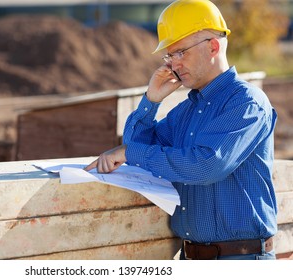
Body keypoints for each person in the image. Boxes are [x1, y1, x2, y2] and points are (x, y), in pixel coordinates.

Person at [85, 0, 278, 260]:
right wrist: (151, 101)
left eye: (180, 52)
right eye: (170, 55)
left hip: (241, 261)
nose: (174, 64)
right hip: (190, 259)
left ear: (213, 46)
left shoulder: (246, 103)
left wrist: (131, 152)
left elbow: (206, 165)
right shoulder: (186, 111)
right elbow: (138, 149)